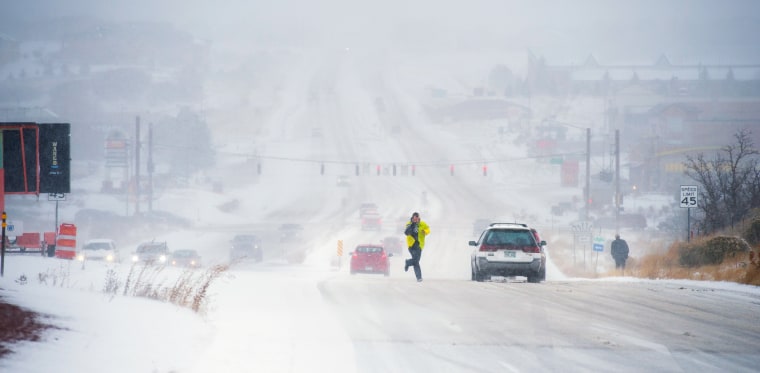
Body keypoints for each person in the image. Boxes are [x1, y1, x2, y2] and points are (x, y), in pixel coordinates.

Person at [404, 212, 430, 282]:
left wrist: (425, 231)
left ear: (418, 218)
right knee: (416, 261)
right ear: (412, 218)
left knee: (416, 261)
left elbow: (428, 229)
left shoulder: (422, 224)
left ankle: (408, 262)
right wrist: (412, 225)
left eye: (416, 218)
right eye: (414, 218)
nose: (415, 220)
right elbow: (406, 232)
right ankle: (419, 277)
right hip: (411, 245)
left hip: (419, 245)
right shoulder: (409, 224)